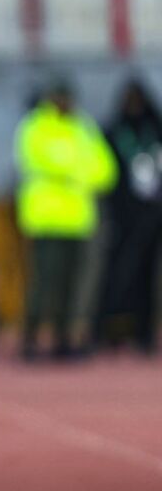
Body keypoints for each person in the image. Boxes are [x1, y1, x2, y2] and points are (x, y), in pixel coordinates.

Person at [15, 76, 117, 361]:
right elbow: (41, 161)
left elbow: (106, 170)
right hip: (47, 218)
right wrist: (77, 172)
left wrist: (74, 172)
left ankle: (62, 339)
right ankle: (30, 338)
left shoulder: (83, 127)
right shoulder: (36, 126)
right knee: (45, 283)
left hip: (79, 219)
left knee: (73, 285)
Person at [90, 78, 162, 355]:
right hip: (124, 216)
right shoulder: (114, 130)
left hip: (153, 214)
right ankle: (106, 330)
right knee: (117, 274)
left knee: (147, 277)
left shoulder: (155, 128)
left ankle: (144, 333)